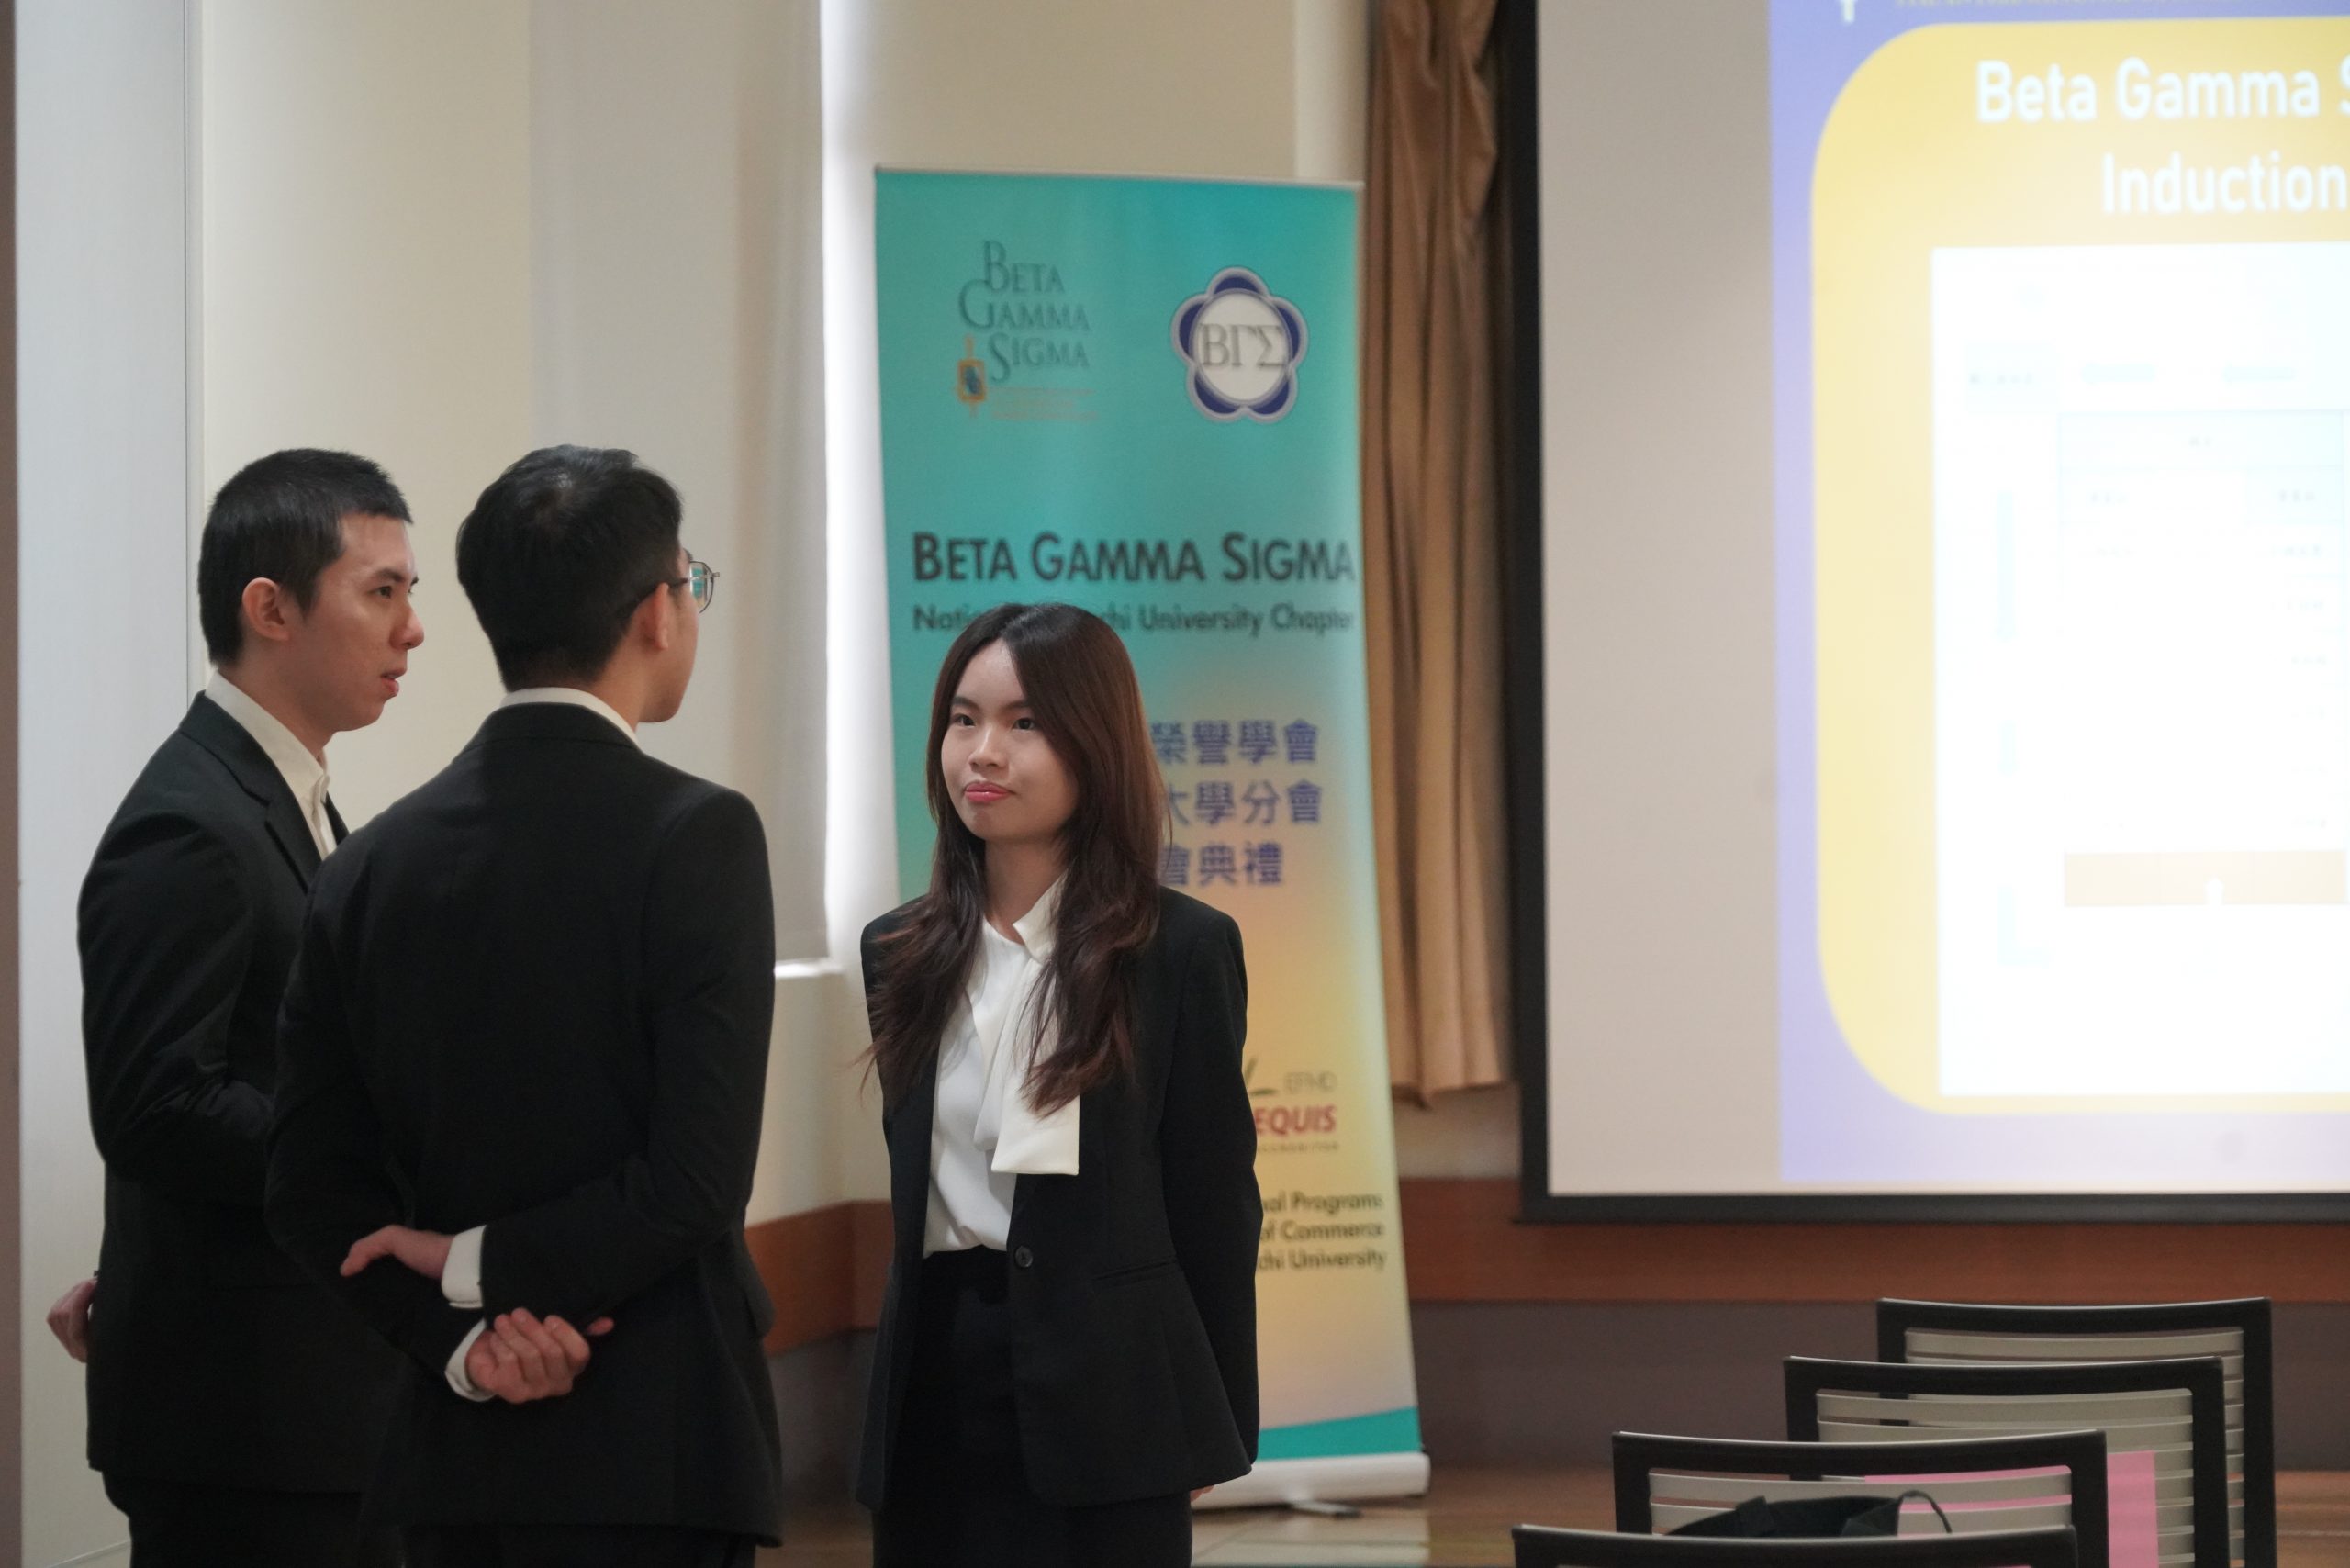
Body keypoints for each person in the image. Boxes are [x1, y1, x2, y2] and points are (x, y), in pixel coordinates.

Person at [264, 443, 781, 1568]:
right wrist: (477, 1266)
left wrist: (460, 1343)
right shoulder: (699, 834)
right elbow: (696, 1179)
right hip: (653, 1443)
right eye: (691, 583)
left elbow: (308, 1184)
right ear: (657, 612)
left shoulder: (370, 862)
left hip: (453, 1456)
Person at [856, 601, 1262, 1568]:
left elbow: (1213, 1198)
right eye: (963, 720)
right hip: (934, 1385)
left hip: (1115, 1392)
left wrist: (1214, 1416)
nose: (983, 753)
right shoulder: (898, 950)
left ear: (1095, 743)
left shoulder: (1178, 949)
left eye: (1025, 722)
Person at [75, 447, 423, 1566]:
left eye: (409, 592)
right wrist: (369, 1166)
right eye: (381, 591)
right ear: (269, 609)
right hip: (247, 1425)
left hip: (307, 1397)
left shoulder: (284, 791)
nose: (412, 629)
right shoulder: (191, 822)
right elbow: (157, 1106)